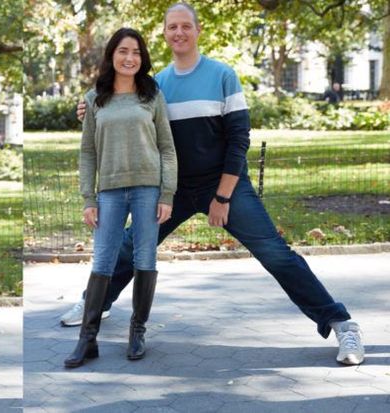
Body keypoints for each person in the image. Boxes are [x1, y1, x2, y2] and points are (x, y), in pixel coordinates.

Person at [66, 1, 365, 366]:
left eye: (185, 26)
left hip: (222, 186)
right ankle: (95, 304)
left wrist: (222, 196)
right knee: (130, 249)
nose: (179, 33)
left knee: (276, 254)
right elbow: (117, 110)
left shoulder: (222, 75)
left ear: (197, 30)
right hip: (171, 188)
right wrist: (85, 109)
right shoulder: (154, 85)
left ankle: (341, 322)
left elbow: (239, 139)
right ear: (164, 34)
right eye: (172, 27)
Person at [65, 28, 177, 368]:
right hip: (109, 192)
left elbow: (167, 148)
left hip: (148, 190)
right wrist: (88, 198)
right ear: (112, 55)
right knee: (102, 263)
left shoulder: (152, 95)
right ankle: (87, 340)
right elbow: (87, 153)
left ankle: (137, 331)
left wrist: (167, 193)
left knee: (145, 260)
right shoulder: (93, 99)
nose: (130, 58)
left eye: (136, 53)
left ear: (142, 59)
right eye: (123, 51)